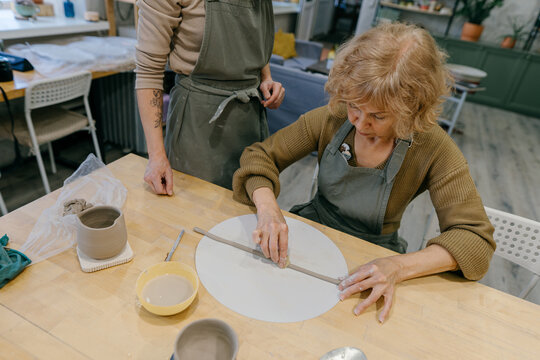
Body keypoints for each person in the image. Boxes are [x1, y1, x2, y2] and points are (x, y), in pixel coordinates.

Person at [232, 23, 495, 323]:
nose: (359, 123)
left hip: (375, 256)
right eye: (355, 106)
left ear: (413, 109)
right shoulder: (333, 118)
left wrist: (398, 267)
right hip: (310, 237)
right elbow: (259, 157)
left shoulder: (433, 147)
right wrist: (267, 210)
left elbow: (475, 240)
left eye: (378, 116)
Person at [135, 0, 285, 193]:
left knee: (251, 206)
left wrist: (266, 77)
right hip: (198, 126)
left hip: (250, 120)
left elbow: (252, 39)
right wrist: (156, 156)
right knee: (198, 211)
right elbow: (149, 71)